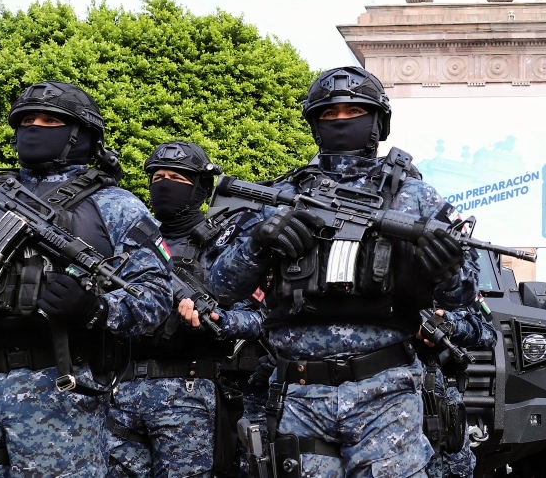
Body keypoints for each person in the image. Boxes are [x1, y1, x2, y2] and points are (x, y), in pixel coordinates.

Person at [207, 66, 477, 477]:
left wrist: (448, 269)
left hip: (386, 391)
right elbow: (221, 287)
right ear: (315, 125)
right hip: (298, 394)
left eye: (354, 111)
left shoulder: (416, 197)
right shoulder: (283, 196)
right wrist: (257, 241)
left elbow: (465, 303)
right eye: (329, 115)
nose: (341, 121)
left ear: (377, 123)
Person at [0, 81, 173, 476]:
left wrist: (94, 310)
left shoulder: (115, 205)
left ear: (81, 135)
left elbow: (156, 299)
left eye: (50, 119)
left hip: (60, 393)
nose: (33, 128)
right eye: (25, 120)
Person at [105, 140, 265, 477]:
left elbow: (261, 317)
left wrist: (220, 320)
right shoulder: (129, 239)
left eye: (177, 178)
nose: (164, 184)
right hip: (123, 390)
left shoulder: (228, 243)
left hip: (190, 393)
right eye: (157, 177)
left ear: (201, 188)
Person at [419, 304, 496, 478]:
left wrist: (450, 324)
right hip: (387, 393)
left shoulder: (447, 286)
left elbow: (488, 333)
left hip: (443, 402)